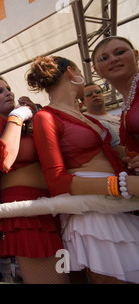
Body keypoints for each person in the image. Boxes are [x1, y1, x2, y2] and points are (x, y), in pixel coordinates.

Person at [26, 55, 139, 283]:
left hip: (120, 205)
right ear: (71, 72)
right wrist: (122, 185)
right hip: (92, 212)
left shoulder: (88, 118)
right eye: (79, 71)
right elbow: (57, 180)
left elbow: (118, 153)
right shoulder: (45, 117)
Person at [0, 75, 68, 284]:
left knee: (71, 277)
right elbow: (3, 160)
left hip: (54, 207)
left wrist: (36, 116)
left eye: (8, 88)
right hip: (26, 212)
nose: (8, 92)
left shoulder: (26, 123)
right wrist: (17, 117)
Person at [92, 36, 139, 174]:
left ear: (136, 55)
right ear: (97, 71)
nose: (113, 59)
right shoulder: (127, 102)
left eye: (120, 52)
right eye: (104, 59)